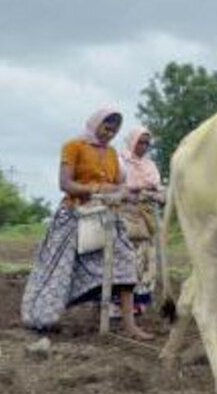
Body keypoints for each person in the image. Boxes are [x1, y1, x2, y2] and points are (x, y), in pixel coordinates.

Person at [21, 108, 152, 340]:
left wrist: (133, 194)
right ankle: (43, 317)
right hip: (74, 215)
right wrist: (96, 189)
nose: (109, 133)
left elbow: (117, 186)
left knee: (126, 263)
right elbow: (65, 184)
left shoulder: (112, 154)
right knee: (59, 271)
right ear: (94, 124)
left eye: (114, 130)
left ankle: (130, 326)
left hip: (105, 216)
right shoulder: (73, 146)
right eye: (106, 127)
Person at [118, 125, 166, 315]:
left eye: (147, 143)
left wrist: (157, 194)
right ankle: (117, 304)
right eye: (140, 142)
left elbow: (158, 189)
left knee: (146, 260)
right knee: (125, 259)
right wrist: (143, 190)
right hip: (125, 215)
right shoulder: (121, 161)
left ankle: (139, 302)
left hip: (147, 217)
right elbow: (120, 186)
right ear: (132, 141)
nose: (144, 146)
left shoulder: (150, 165)